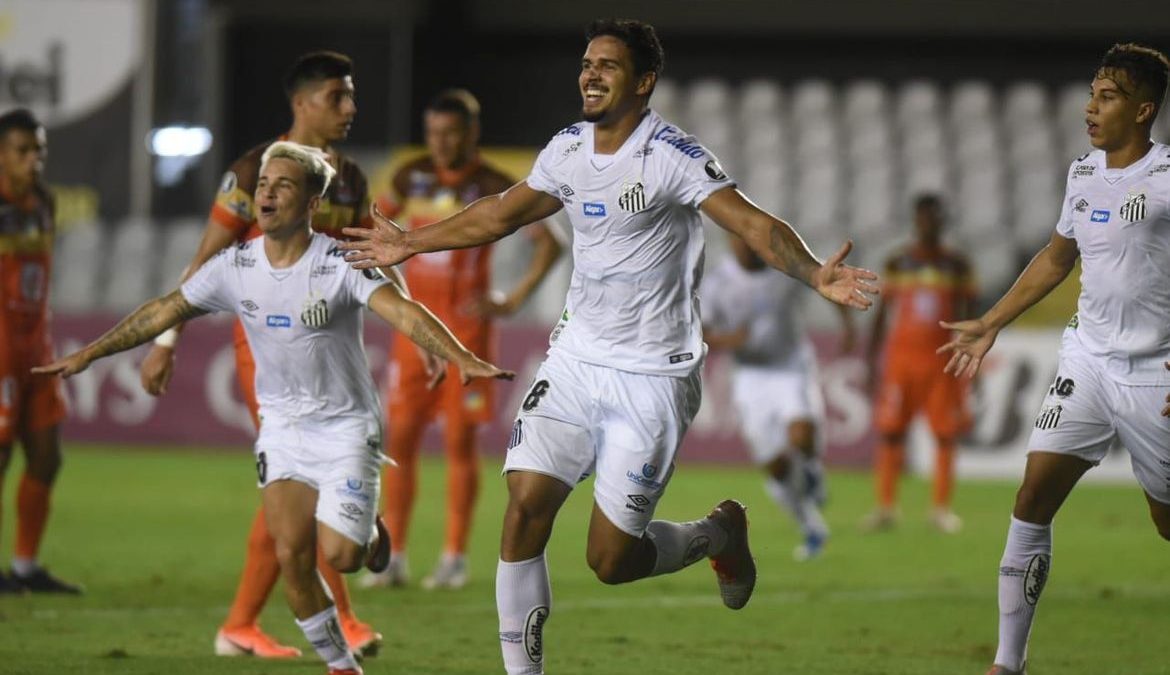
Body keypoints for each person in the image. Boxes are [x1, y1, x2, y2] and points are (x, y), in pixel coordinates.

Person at [340, 19, 877, 673]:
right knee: (524, 509)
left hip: (652, 375)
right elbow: (503, 211)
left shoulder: (672, 154)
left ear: (644, 82)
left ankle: (717, 532)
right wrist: (412, 242)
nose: (589, 74)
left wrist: (815, 271)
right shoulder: (566, 149)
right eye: (586, 63)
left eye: (607, 66)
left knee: (611, 561)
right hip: (574, 360)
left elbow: (752, 224)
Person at [35, 141, 513, 675]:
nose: (267, 193)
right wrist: (91, 353)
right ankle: (341, 666)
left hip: (345, 427)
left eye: (283, 185)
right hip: (282, 428)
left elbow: (403, 311)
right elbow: (164, 309)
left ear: (311, 204)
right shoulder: (235, 266)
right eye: (264, 185)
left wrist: (462, 357)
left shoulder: (336, 262)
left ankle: (372, 535)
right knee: (292, 557)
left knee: (342, 557)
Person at [138, 51, 388, 657]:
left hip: (332, 352)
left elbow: (369, 256)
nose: (350, 108)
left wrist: (417, 328)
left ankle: (242, 624)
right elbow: (205, 258)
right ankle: (333, 619)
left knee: (292, 491)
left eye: (351, 96)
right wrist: (166, 339)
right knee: (293, 479)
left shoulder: (348, 178)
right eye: (338, 96)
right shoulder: (255, 169)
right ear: (302, 103)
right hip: (268, 352)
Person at [936, 44, 1170, 675]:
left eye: (1109, 97)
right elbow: (1055, 258)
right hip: (1087, 361)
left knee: (1167, 523)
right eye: (1092, 93)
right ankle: (1008, 664)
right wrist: (990, 321)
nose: (1091, 108)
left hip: (1157, 374)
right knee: (1033, 493)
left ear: (1144, 110)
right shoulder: (1082, 173)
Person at [362, 89, 563, 590]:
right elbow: (374, 225)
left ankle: (453, 557)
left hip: (470, 330)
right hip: (415, 329)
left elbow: (549, 245)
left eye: (452, 133)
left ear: (472, 134)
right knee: (401, 438)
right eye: (433, 133)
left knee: (459, 442)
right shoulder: (410, 177)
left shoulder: (493, 183)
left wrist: (512, 300)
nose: (442, 142)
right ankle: (395, 555)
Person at [701, 233, 856, 561]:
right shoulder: (719, 283)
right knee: (775, 466)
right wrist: (730, 340)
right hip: (750, 377)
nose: (747, 245)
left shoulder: (782, 270)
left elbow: (823, 283)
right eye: (740, 240)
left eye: (751, 240)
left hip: (792, 366)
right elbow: (701, 333)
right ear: (731, 243)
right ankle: (810, 524)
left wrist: (847, 325)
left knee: (801, 435)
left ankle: (812, 468)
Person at [861, 194, 976, 534]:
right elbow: (882, 314)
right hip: (901, 361)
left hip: (941, 362)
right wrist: (871, 359)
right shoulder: (898, 262)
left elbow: (969, 316)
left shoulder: (958, 265)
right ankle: (885, 508)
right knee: (891, 431)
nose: (928, 223)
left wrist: (969, 357)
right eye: (923, 217)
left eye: (934, 217)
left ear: (942, 221)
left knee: (944, 434)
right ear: (916, 220)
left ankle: (940, 509)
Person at [0, 109, 79, 595]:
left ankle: (25, 568)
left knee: (47, 456)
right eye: (22, 151)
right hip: (0, 342)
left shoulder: (44, 203)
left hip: (36, 342)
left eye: (39, 151)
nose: (34, 160)